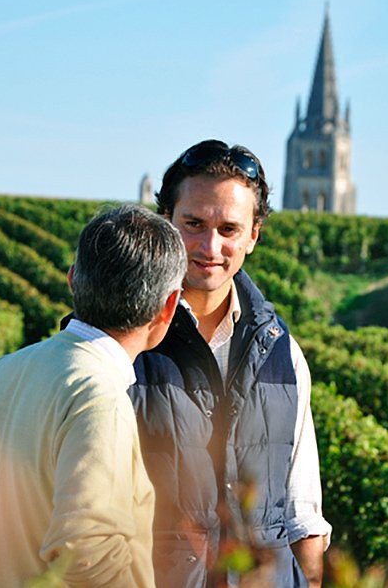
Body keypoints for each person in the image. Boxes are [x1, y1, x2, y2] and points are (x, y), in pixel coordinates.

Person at [0, 204, 187, 587]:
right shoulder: (100, 395)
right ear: (168, 306)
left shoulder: (7, 371)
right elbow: (88, 552)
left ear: (72, 281)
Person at [131, 139, 331, 586]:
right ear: (166, 222)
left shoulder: (283, 354)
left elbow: (302, 512)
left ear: (253, 236)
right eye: (194, 224)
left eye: (229, 229)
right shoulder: (127, 347)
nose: (210, 246)